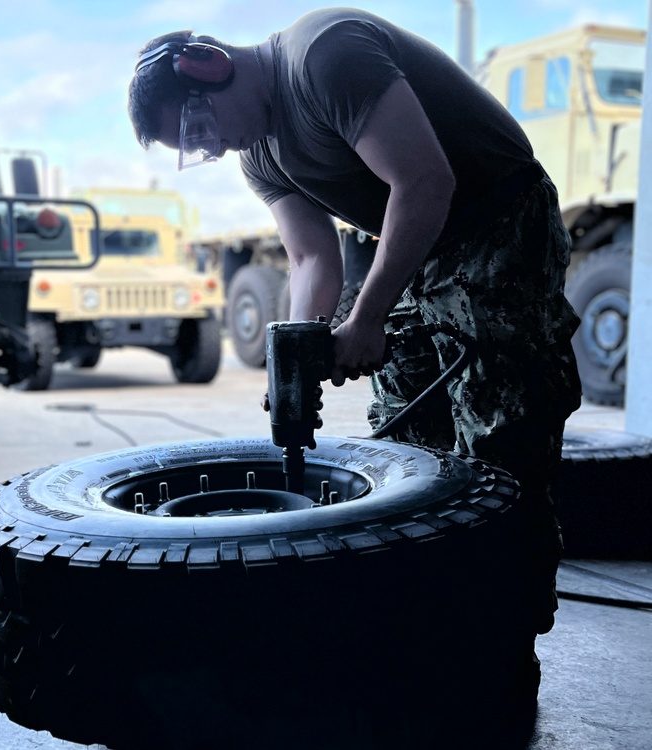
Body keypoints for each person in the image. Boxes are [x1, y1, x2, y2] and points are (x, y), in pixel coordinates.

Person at [128, 3, 581, 724]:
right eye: (197, 147)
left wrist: (367, 319)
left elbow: (425, 183)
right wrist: (300, 355)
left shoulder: (324, 56)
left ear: (209, 67)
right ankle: (429, 637)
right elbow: (311, 258)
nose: (213, 148)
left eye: (201, 129)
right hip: (418, 247)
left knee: (502, 451)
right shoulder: (260, 154)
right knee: (409, 459)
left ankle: (503, 655)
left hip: (496, 220)